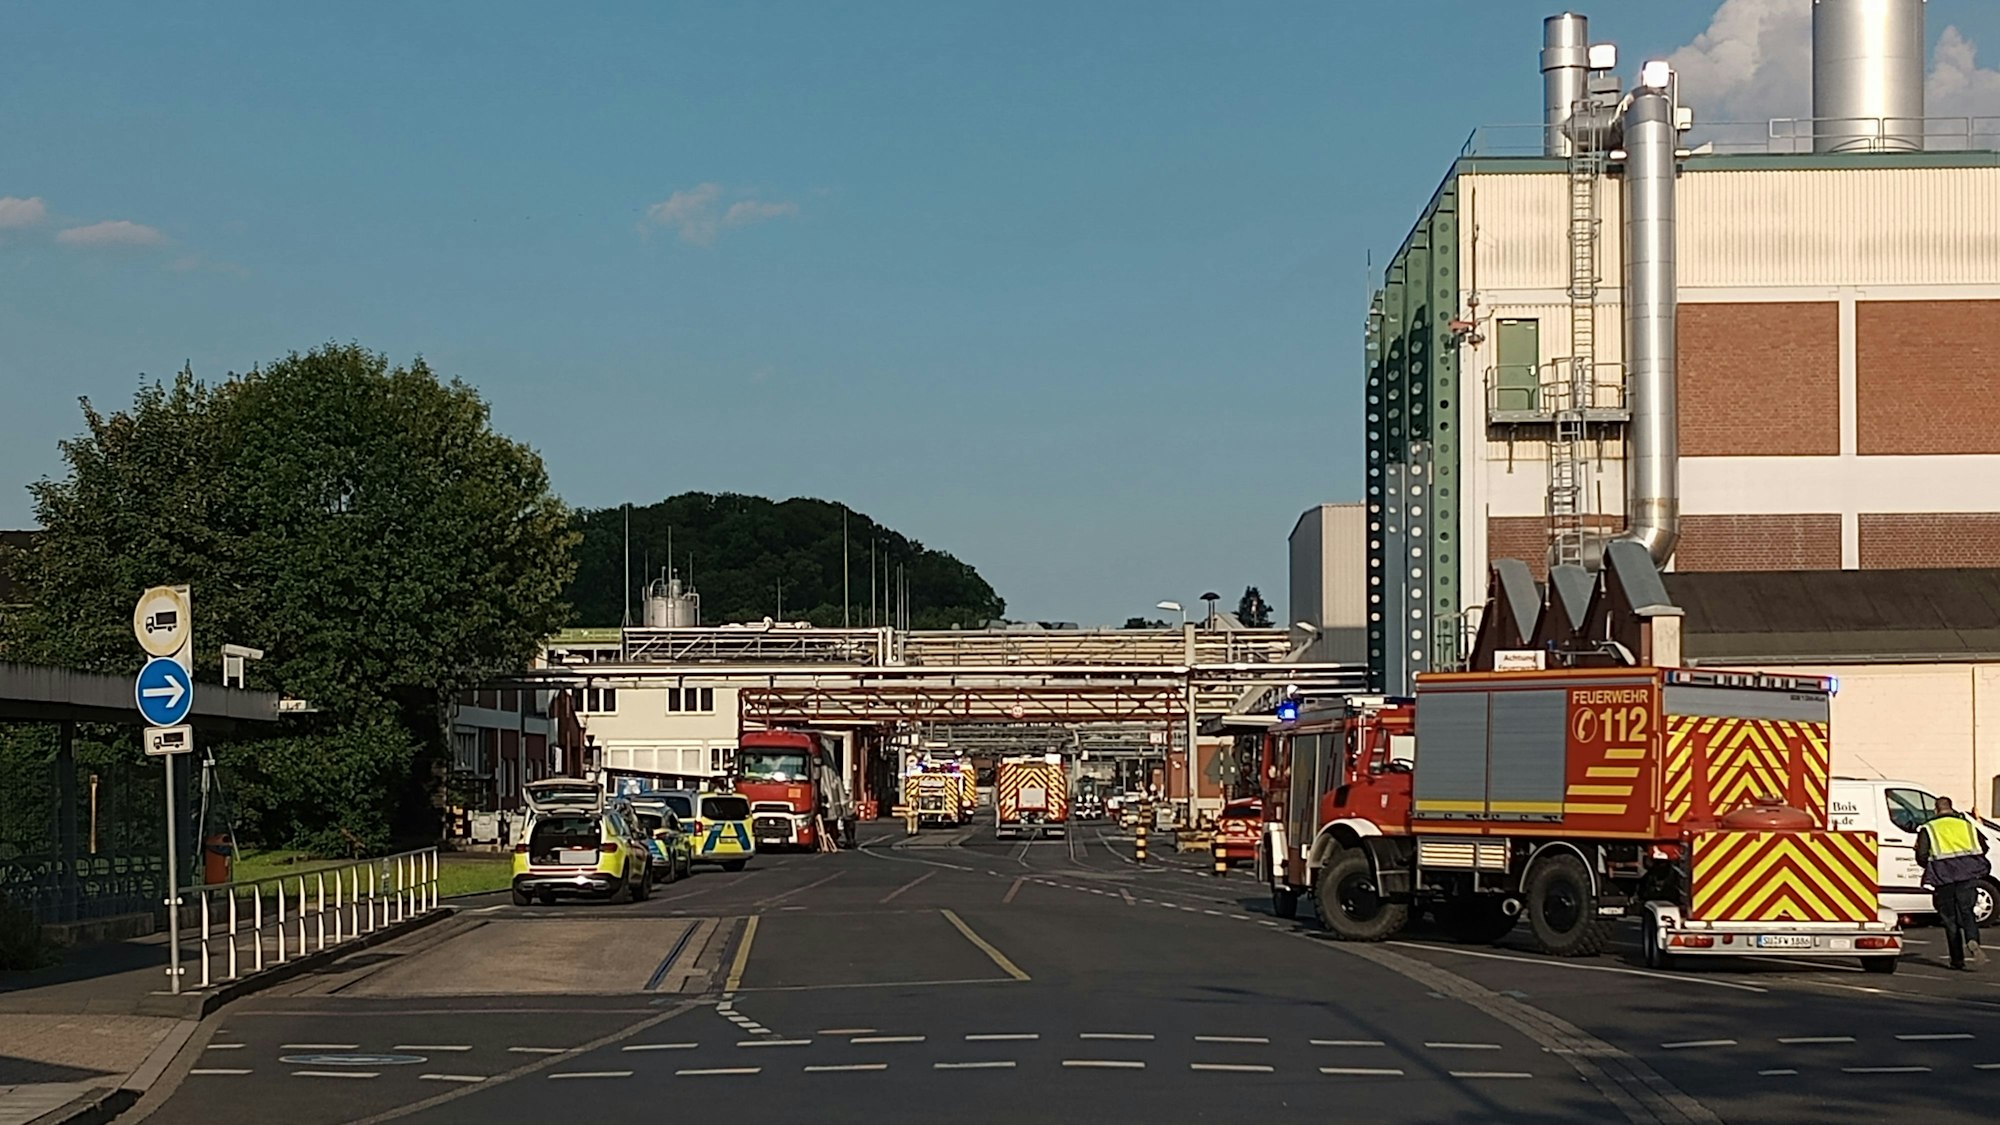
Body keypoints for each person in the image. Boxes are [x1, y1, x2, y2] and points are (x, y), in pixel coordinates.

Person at [1916, 796, 1993, 971]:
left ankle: (1957, 960)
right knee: (1967, 912)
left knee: (1949, 919)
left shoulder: (1929, 828)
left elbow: (1921, 854)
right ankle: (1972, 940)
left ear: (1936, 810)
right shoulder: (1966, 824)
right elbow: (1984, 846)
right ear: (1951, 807)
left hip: (1943, 878)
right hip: (1967, 875)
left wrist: (1930, 865)